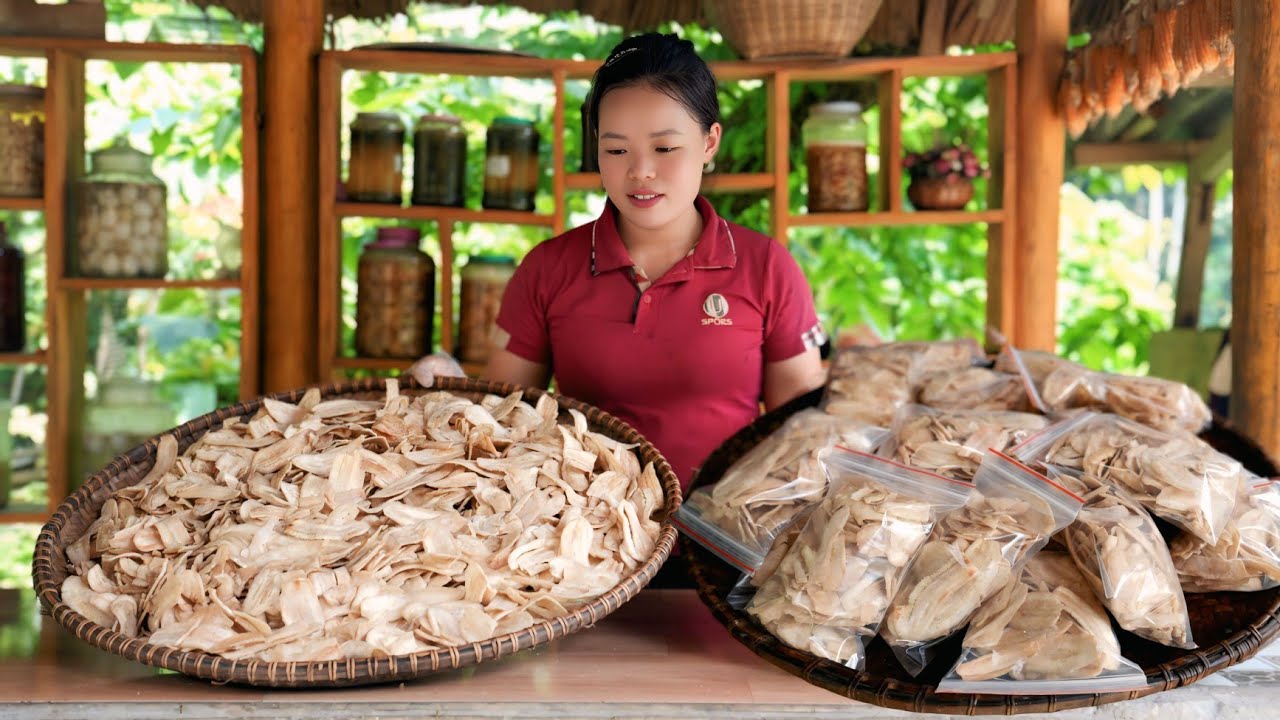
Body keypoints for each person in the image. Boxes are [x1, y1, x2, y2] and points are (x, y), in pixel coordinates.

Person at [416, 31, 825, 497]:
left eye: (665, 148)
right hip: (581, 548)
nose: (640, 171)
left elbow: (801, 442)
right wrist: (442, 387)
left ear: (710, 142)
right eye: (616, 150)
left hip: (723, 550)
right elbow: (500, 424)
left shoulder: (765, 266)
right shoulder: (548, 269)